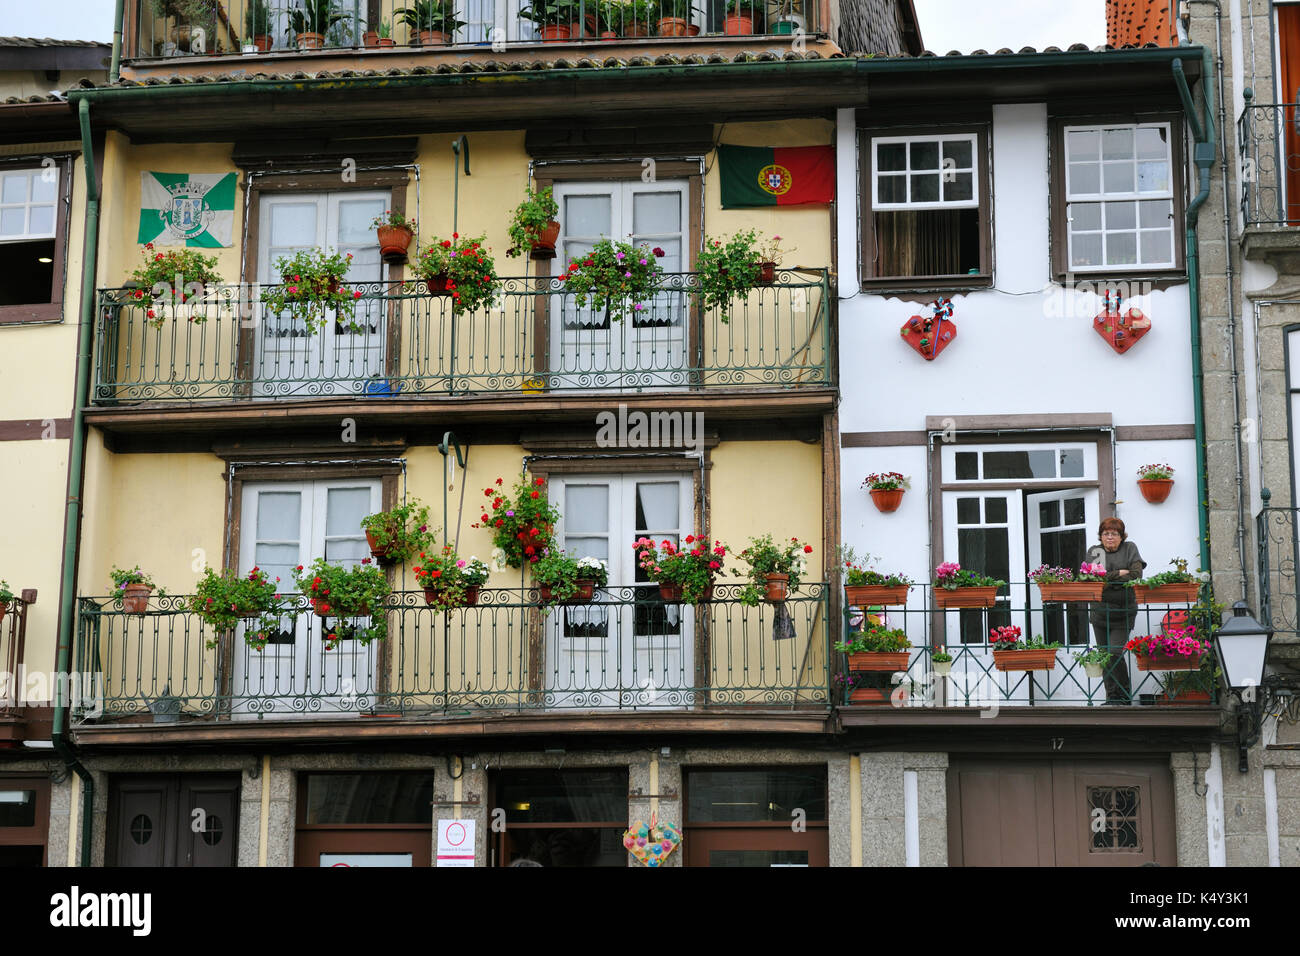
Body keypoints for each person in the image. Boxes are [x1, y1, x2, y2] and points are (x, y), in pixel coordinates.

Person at [1084, 517, 1146, 704]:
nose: (1110, 537)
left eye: (1114, 534)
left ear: (1121, 536)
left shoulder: (1130, 548)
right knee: (1105, 656)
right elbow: (1094, 579)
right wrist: (1120, 573)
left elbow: (1136, 575)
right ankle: (1112, 697)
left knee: (1114, 652)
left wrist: (1107, 580)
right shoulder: (1096, 552)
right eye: (1106, 534)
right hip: (1100, 613)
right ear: (1101, 536)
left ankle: (1124, 695)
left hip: (1123, 613)